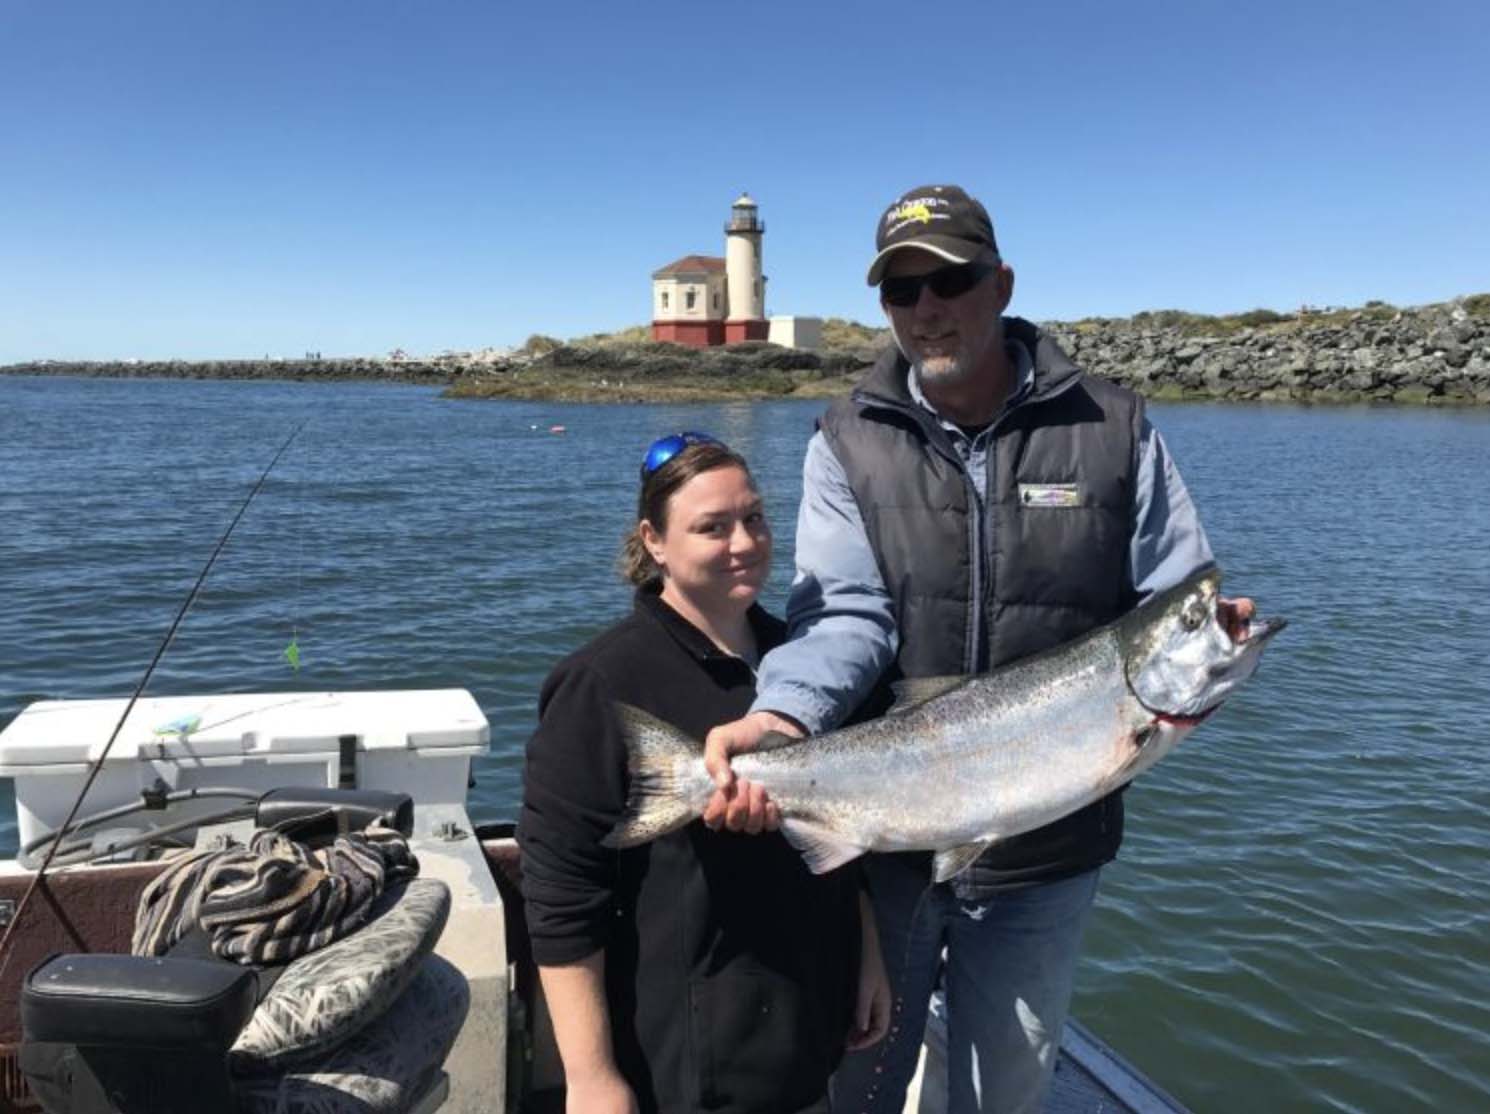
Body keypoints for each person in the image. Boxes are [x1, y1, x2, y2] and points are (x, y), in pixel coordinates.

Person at [702, 186, 1255, 1114]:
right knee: (861, 1078)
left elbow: (1178, 593)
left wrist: (1208, 642)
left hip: (1049, 853)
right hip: (889, 838)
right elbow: (844, 610)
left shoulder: (1113, 429)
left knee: (1007, 1089)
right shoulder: (846, 438)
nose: (927, 309)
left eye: (949, 280)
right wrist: (782, 713)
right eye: (901, 291)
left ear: (1000, 284)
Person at [517, 432, 890, 1114]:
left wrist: (867, 955)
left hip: (813, 1018)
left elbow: (847, 825)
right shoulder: (601, 683)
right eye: (711, 528)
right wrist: (592, 1076)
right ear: (653, 540)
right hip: (689, 1053)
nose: (744, 543)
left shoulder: (810, 664)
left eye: (754, 518)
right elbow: (563, 892)